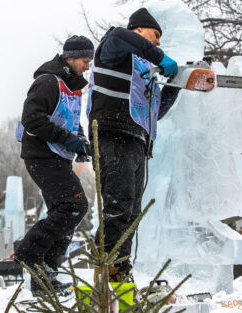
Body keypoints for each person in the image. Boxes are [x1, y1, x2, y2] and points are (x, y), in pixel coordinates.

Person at [87, 8, 181, 282]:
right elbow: (119, 35)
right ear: (138, 30)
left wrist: (176, 85)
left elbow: (153, 110)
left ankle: (120, 270)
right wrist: (161, 58)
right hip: (112, 135)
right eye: (155, 36)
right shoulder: (115, 48)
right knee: (118, 205)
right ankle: (105, 273)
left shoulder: (142, 69)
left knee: (130, 211)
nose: (158, 44)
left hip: (136, 141)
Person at [14, 35, 94, 295]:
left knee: (63, 211)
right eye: (85, 60)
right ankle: (29, 252)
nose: (88, 66)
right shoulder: (48, 81)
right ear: (69, 58)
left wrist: (80, 141)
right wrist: (69, 140)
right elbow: (32, 119)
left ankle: (44, 278)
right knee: (75, 206)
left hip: (58, 157)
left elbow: (71, 119)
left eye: (90, 60)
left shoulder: (72, 87)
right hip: (42, 155)